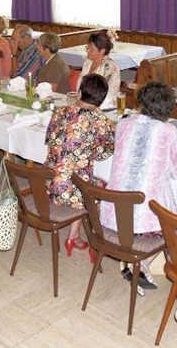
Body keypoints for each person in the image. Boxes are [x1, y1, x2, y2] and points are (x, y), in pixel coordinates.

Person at [101, 82, 177, 289]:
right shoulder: (168, 130)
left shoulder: (124, 123)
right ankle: (142, 263)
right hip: (144, 224)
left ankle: (138, 264)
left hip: (113, 213)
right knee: (176, 227)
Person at [45, 74, 115, 256]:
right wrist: (88, 151)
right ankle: (80, 235)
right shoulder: (101, 121)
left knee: (77, 175)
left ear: (80, 92)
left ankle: (74, 234)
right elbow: (105, 153)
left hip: (48, 181)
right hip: (73, 191)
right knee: (100, 185)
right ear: (102, 98)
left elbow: (49, 139)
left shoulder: (59, 111)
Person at [77, 31, 120, 110]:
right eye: (87, 48)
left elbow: (108, 96)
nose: (88, 51)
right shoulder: (88, 62)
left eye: (91, 49)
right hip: (83, 105)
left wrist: (85, 106)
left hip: (103, 108)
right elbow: (80, 87)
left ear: (102, 51)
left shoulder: (110, 67)